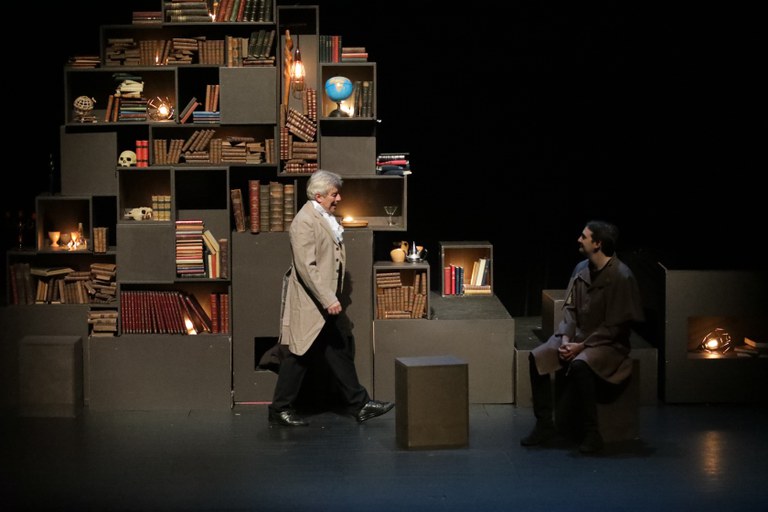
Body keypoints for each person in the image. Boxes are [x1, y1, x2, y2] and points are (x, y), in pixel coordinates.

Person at [268, 170, 394, 427]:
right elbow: (306, 266)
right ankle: (279, 409)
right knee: (299, 355)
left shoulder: (323, 217)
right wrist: (327, 298)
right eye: (334, 194)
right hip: (312, 301)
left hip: (324, 301)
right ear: (319, 196)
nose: (339, 198)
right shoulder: (304, 221)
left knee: (337, 350)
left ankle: (359, 404)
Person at [521, 220, 643, 453]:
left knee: (580, 364)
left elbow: (616, 326)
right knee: (538, 356)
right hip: (576, 337)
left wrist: (581, 346)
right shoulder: (580, 269)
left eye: (584, 236)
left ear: (598, 244)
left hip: (607, 343)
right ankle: (545, 424)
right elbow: (570, 309)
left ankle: (592, 433)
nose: (579, 239)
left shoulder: (621, 276)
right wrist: (566, 339)